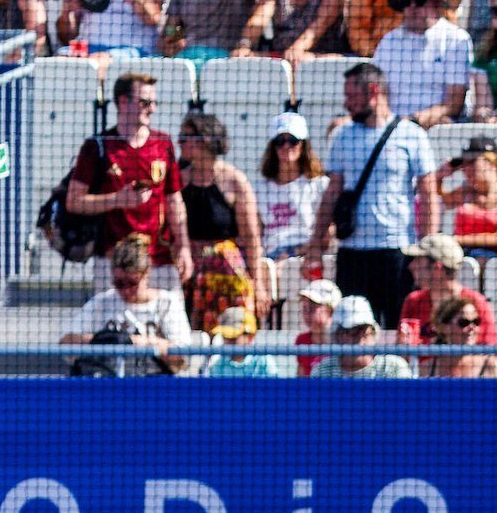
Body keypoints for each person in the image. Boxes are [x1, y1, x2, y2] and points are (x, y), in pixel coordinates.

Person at [305, 62, 440, 328]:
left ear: (374, 92)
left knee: (397, 325)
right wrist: (316, 241)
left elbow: (428, 194)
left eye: (352, 97)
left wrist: (427, 246)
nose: (347, 104)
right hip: (352, 252)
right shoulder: (342, 137)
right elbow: (332, 193)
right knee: (351, 327)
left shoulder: (411, 135)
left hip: (396, 249)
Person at [66, 69, 190, 291]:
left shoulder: (163, 143)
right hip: (114, 261)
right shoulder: (98, 146)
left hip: (158, 257)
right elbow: (74, 201)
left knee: (167, 322)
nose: (152, 109)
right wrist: (118, 200)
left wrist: (183, 247)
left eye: (154, 102)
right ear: (123, 102)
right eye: (145, 102)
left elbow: (174, 200)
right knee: (111, 324)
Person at [176, 111, 267, 330]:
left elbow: (251, 238)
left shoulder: (234, 180)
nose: (181, 142)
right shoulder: (179, 180)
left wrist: (259, 285)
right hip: (191, 273)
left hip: (227, 273)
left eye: (187, 137)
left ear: (206, 140)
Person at [59, 235, 192, 371]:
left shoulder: (167, 303)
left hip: (155, 383)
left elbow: (182, 356)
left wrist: (134, 342)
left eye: (132, 283)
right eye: (119, 283)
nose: (126, 290)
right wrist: (106, 341)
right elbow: (66, 342)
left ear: (146, 273)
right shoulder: (102, 302)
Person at [374, 0, 473, 129]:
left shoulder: (456, 40)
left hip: (435, 125)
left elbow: (454, 104)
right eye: (407, 1)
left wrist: (413, 121)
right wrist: (388, 121)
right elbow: (378, 92)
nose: (412, 7)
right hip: (390, 125)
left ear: (435, 4)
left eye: (419, 0)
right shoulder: (388, 41)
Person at [396, 232, 497, 370]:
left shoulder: (477, 302)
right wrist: (403, 349)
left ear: (437, 268)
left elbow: (490, 355)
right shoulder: (413, 301)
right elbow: (402, 358)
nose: (411, 266)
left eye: (418, 260)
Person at [256, 111, 328, 261]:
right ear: (273, 146)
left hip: (308, 254)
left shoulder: (319, 184)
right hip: (272, 256)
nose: (286, 146)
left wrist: (302, 251)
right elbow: (256, 231)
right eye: (280, 140)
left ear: (303, 145)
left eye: (293, 140)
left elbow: (330, 228)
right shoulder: (260, 189)